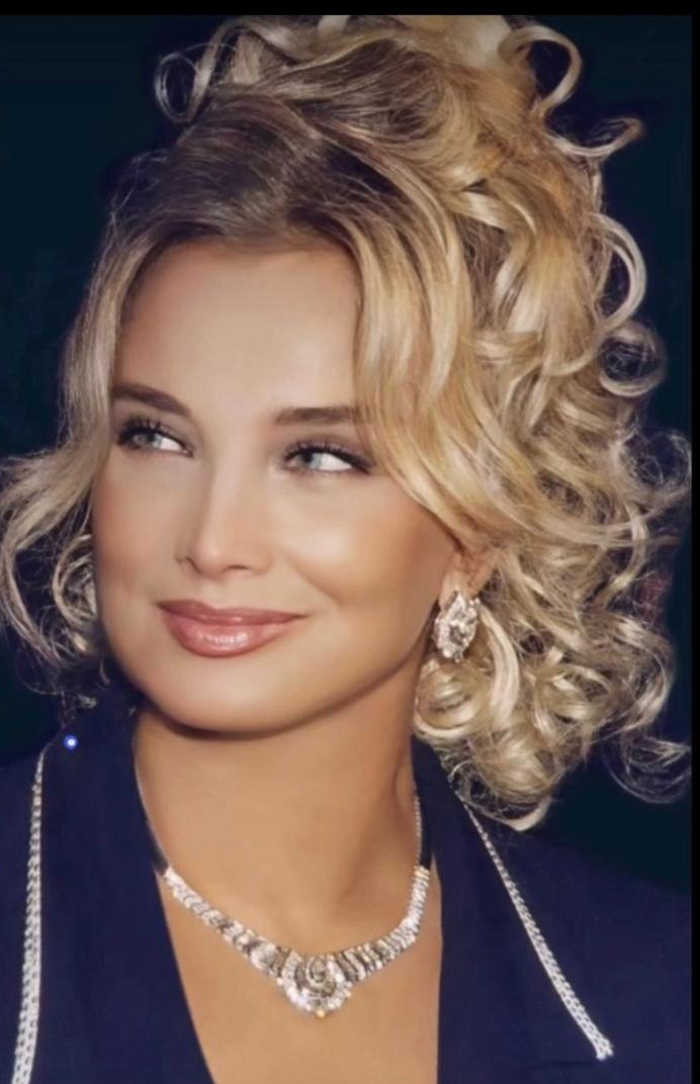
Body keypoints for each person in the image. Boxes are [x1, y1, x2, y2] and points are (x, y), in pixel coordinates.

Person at [0, 14, 690, 1084]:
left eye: (320, 455)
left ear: (477, 528)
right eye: (157, 437)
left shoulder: (652, 991)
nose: (212, 541)